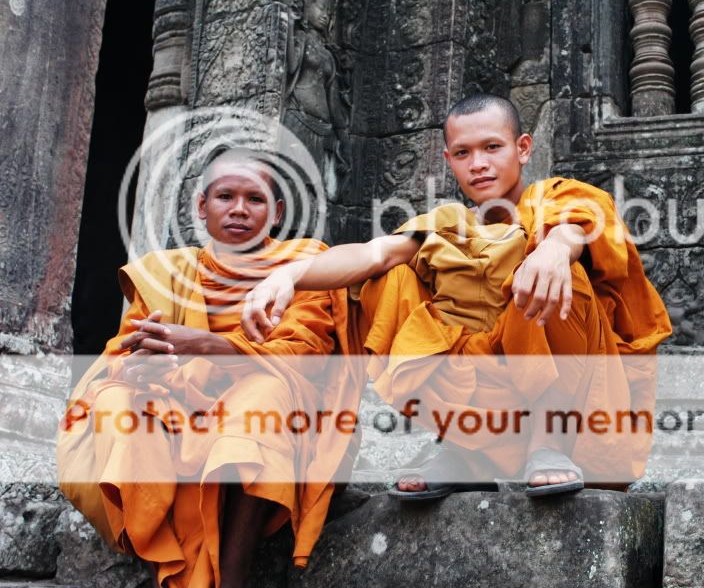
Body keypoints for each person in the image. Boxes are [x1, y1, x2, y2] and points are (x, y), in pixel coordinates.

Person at [242, 94, 672, 497]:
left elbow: (575, 228)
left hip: (564, 381)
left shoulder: (555, 198)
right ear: (448, 160)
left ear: (522, 148)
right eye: (464, 153)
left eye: (492, 148)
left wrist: (557, 250)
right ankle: (464, 449)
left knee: (560, 275)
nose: (478, 164)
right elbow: (375, 253)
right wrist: (290, 275)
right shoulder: (448, 223)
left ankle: (548, 443)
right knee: (390, 283)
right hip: (479, 369)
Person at [57, 149, 364, 587]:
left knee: (263, 396)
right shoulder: (168, 272)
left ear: (276, 212)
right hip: (180, 403)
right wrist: (139, 370)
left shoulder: (304, 266)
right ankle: (168, 566)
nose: (239, 209)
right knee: (115, 400)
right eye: (225, 196)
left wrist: (204, 344)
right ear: (202, 207)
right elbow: (126, 353)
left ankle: (234, 576)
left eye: (255, 199)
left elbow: (305, 353)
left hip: (275, 408)